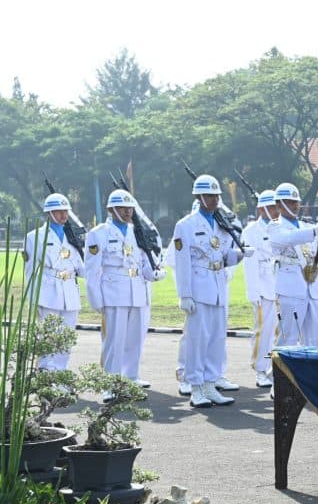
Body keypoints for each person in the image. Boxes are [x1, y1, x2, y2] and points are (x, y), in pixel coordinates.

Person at [172, 175, 251, 408]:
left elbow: (223, 256)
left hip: (218, 287)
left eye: (217, 196)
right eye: (210, 196)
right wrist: (185, 294)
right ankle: (196, 387)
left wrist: (240, 255)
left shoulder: (221, 223)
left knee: (217, 338)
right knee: (197, 340)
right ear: (199, 197)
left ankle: (210, 383)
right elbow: (183, 263)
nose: (215, 200)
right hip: (198, 288)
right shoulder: (185, 225)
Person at [85, 190, 166, 401]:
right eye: (122, 208)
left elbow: (144, 260)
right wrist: (96, 299)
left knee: (135, 339)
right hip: (114, 292)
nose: (127, 212)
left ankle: (131, 377)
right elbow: (92, 271)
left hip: (137, 290)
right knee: (114, 340)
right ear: (111, 210)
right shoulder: (98, 233)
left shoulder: (137, 231)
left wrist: (154, 272)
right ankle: (110, 384)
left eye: (130, 208)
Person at [23, 193, 85, 370]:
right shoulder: (34, 237)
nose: (63, 215)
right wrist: (33, 298)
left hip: (70, 291)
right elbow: (30, 270)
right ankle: (46, 373)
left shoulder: (72, 237)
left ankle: (60, 374)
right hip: (47, 292)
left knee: (66, 336)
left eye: (65, 211)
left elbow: (81, 266)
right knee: (48, 336)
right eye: (59, 211)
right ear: (49, 213)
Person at [268, 182, 318, 347]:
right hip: (291, 289)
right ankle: (281, 366)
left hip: (313, 288)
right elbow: (289, 238)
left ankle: (309, 366)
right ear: (279, 205)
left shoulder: (306, 226)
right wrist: (317, 230)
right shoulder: (275, 226)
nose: (295, 206)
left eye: (296, 202)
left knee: (313, 339)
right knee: (288, 337)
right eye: (290, 202)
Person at [240, 190, 279, 387]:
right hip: (263, 287)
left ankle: (275, 368)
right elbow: (250, 265)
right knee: (263, 331)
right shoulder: (251, 231)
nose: (275, 210)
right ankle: (260, 369)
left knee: (280, 332)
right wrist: (253, 291)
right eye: (270, 207)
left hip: (281, 286)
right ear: (261, 209)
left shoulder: (281, 227)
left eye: (276, 206)